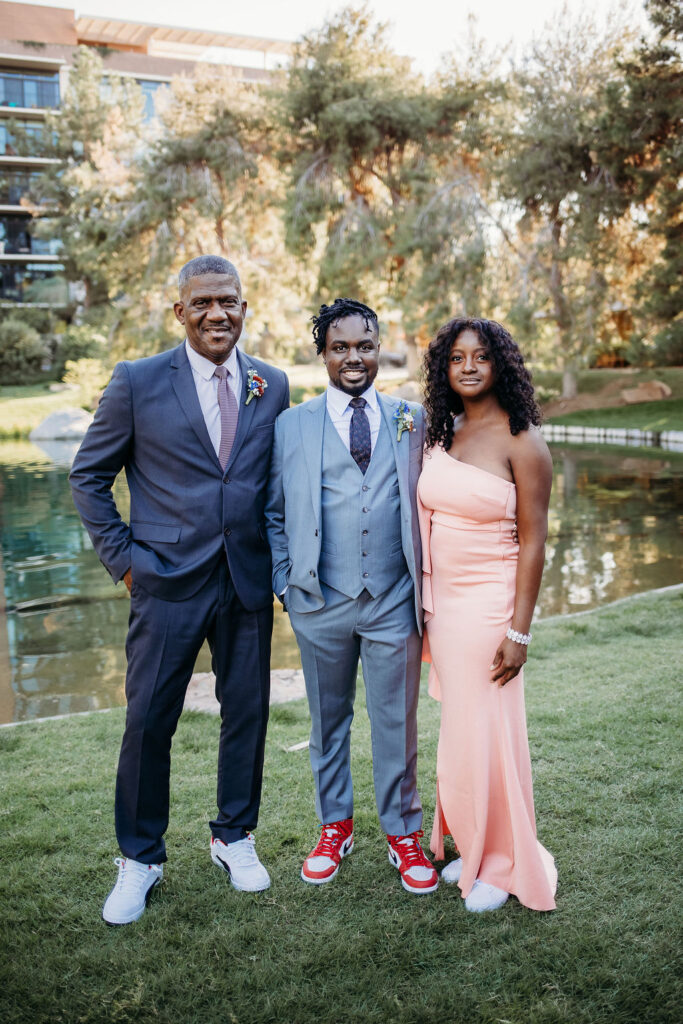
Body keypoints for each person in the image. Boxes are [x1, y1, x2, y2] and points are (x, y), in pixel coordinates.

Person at [69, 255, 290, 924]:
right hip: (163, 582)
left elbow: (272, 485)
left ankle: (233, 837)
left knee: (246, 713)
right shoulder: (137, 382)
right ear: (180, 312)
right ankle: (140, 857)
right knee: (147, 721)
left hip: (245, 582)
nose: (217, 313)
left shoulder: (271, 385)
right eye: (203, 303)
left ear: (244, 307)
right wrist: (127, 563)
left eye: (229, 301)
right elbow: (88, 477)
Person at [265, 298, 438, 895]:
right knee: (327, 721)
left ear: (379, 348)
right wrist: (285, 581)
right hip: (318, 599)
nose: (354, 358)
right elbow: (273, 511)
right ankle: (335, 826)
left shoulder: (410, 418)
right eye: (340, 347)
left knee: (397, 722)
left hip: (393, 597)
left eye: (364, 346)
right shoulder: (291, 424)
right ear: (323, 354)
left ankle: (403, 834)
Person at [418, 316, 557, 913]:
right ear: (444, 370)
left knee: (491, 736)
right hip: (444, 610)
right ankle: (473, 847)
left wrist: (518, 630)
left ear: (501, 364)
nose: (468, 366)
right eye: (456, 358)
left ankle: (503, 865)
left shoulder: (523, 441)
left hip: (490, 608)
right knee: (460, 737)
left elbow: (534, 542)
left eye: (480, 356)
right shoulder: (440, 434)